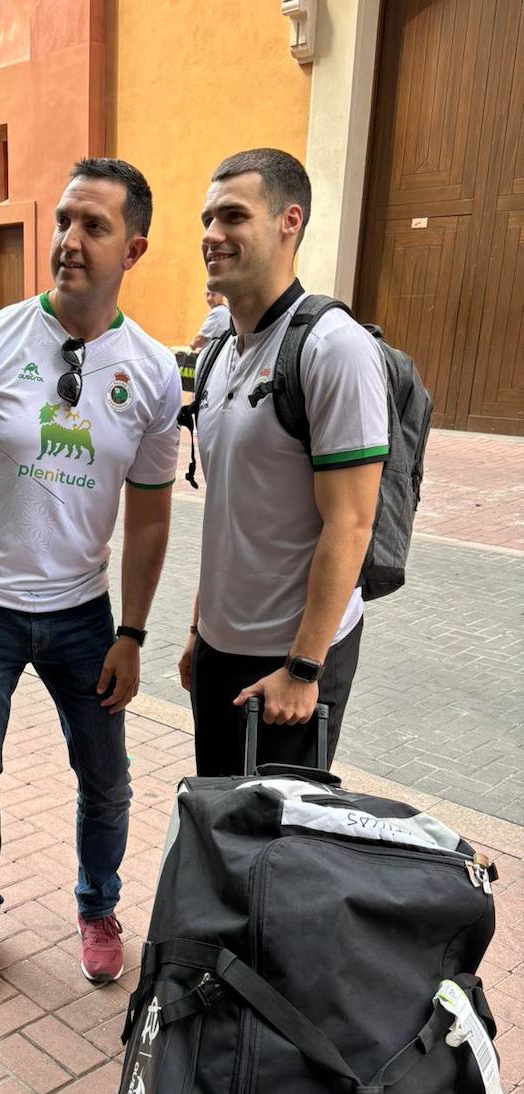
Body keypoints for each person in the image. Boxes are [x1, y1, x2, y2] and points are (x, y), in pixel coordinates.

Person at [0, 157, 180, 992]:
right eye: (64, 220)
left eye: (93, 226)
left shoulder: (155, 371)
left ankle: (97, 905)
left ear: (132, 248)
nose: (69, 241)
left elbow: (149, 517)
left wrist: (132, 632)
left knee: (107, 779)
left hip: (81, 616)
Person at [178, 148, 388, 777]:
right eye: (208, 219)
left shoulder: (332, 348)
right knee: (219, 832)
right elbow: (231, 510)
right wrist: (200, 631)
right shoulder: (219, 350)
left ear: (288, 221)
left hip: (289, 660)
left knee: (275, 855)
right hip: (221, 648)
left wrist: (304, 669)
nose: (213, 235)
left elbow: (351, 522)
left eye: (234, 216)